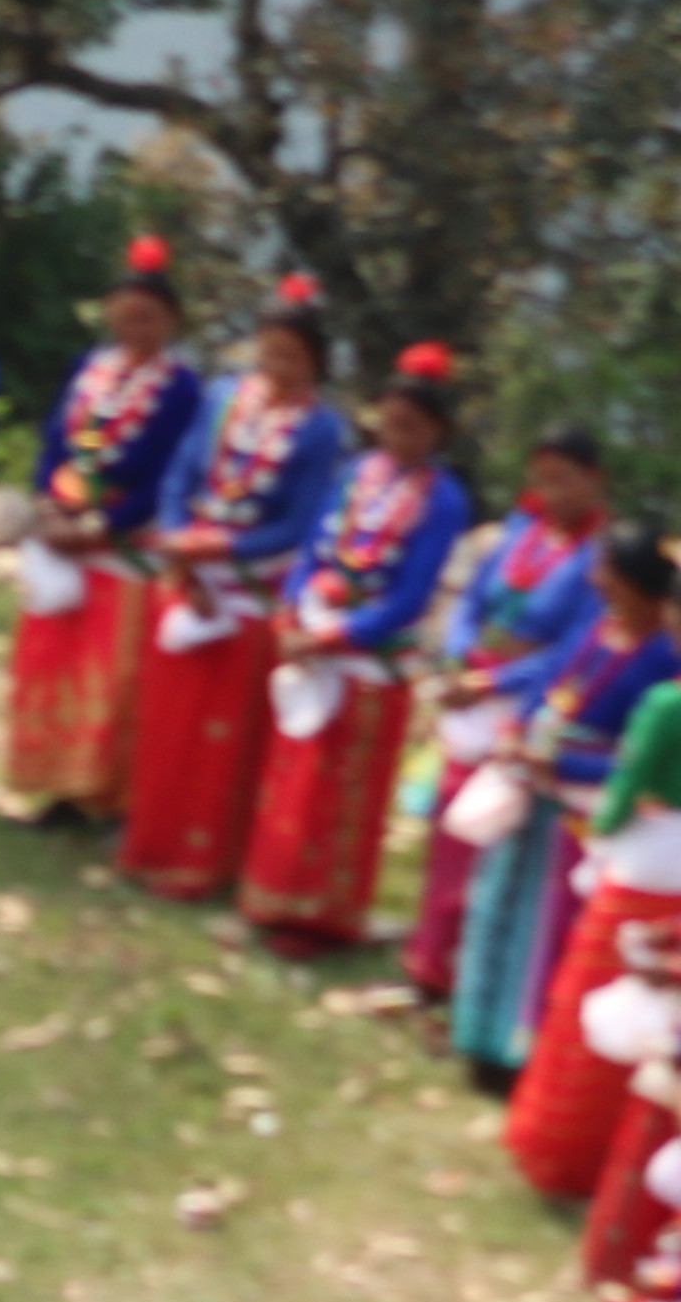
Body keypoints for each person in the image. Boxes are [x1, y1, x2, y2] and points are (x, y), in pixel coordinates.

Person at [237, 344, 476, 949]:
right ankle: (270, 897)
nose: (397, 438)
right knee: (292, 781)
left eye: (412, 427)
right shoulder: (356, 475)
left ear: (438, 433)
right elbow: (314, 551)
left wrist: (336, 635)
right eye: (390, 424)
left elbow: (410, 595)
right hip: (314, 642)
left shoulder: (442, 499)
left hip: (368, 661)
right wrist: (292, 608)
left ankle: (324, 916)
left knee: (341, 797)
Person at [114, 279, 344, 889]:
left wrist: (224, 549)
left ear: (317, 363)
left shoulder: (320, 429)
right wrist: (176, 536)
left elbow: (300, 522)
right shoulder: (222, 398)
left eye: (291, 357)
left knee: (218, 732)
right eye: (269, 353)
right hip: (189, 567)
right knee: (167, 721)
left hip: (247, 583)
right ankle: (149, 836)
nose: (277, 368)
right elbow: (180, 472)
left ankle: (204, 857)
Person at [420, 435, 617, 1044]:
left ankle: (470, 979)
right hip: (471, 688)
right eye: (542, 479)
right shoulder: (519, 534)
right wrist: (460, 656)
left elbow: (573, 651)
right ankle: (430, 960)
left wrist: (494, 683)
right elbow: (471, 602)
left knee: (491, 845)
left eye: (565, 480)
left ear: (594, 481)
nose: (551, 493)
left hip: (521, 702)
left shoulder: (599, 561)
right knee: (450, 830)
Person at [7, 237, 204, 825]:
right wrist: (50, 505)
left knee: (115, 674)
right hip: (67, 531)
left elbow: (167, 471)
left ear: (171, 321)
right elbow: (62, 444)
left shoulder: (180, 388)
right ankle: (59, 787)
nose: (135, 326)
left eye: (148, 317)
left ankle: (110, 792)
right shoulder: (92, 372)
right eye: (126, 314)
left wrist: (103, 525)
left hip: (124, 542)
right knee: (56, 664)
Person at [505, 554, 681, 1185]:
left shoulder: (667, 702)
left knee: (591, 990)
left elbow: (626, 786)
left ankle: (555, 1149)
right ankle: (614, 1152)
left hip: (641, 860)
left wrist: (600, 829)